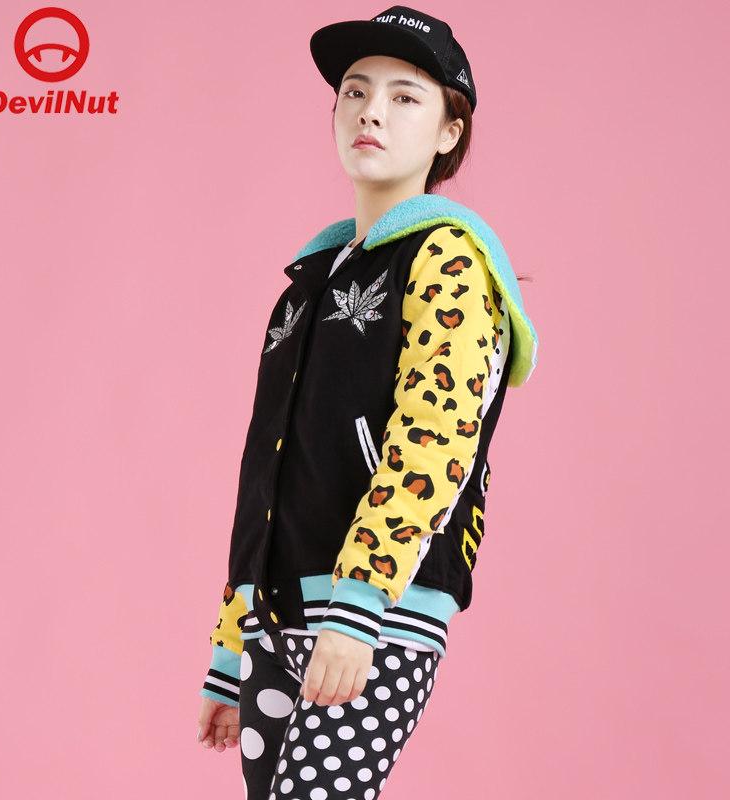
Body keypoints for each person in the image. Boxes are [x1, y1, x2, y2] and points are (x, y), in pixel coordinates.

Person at [197, 6, 538, 798]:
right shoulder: (307, 287)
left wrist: (359, 607)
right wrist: (229, 644)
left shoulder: (449, 257)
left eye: (404, 97)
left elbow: (436, 441)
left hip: (376, 609)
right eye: (354, 92)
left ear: (450, 132)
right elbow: (267, 475)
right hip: (276, 615)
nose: (370, 112)